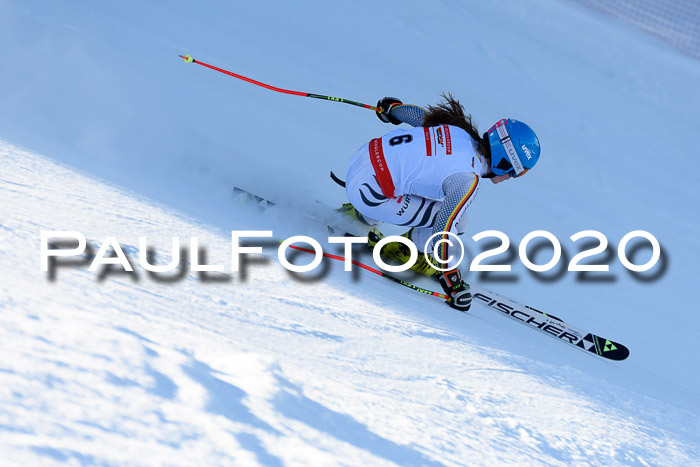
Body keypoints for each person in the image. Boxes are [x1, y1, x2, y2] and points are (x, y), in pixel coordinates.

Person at [342, 94, 541, 312]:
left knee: (409, 178)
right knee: (460, 223)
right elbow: (444, 227)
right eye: (516, 172)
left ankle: (364, 216)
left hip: (361, 159)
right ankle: (406, 252)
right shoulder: (467, 178)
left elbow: (419, 117)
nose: (510, 178)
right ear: (505, 162)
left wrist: (393, 110)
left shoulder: (458, 131)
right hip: (368, 192)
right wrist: (451, 280)